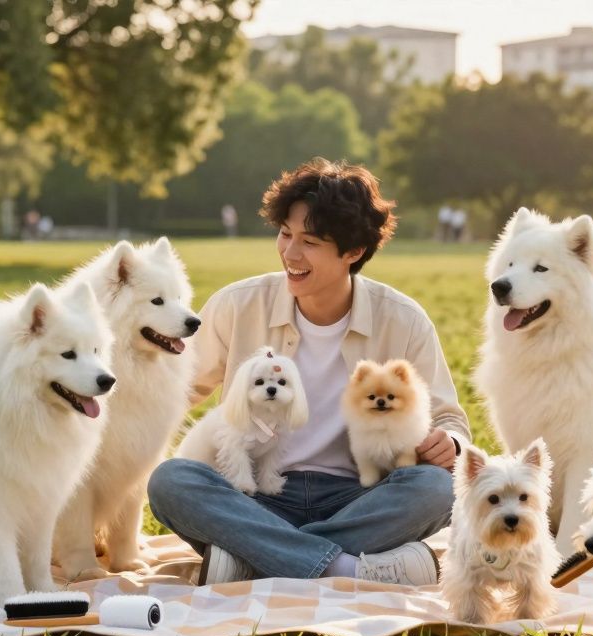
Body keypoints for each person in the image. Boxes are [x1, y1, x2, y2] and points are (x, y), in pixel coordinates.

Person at [147, 158, 470, 587]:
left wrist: (450, 444)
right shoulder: (237, 305)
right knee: (172, 481)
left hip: (359, 497)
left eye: (310, 242)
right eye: (285, 234)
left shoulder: (404, 320)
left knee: (436, 489)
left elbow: (450, 420)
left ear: (353, 252)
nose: (290, 254)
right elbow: (169, 393)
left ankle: (254, 559)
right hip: (256, 496)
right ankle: (344, 568)